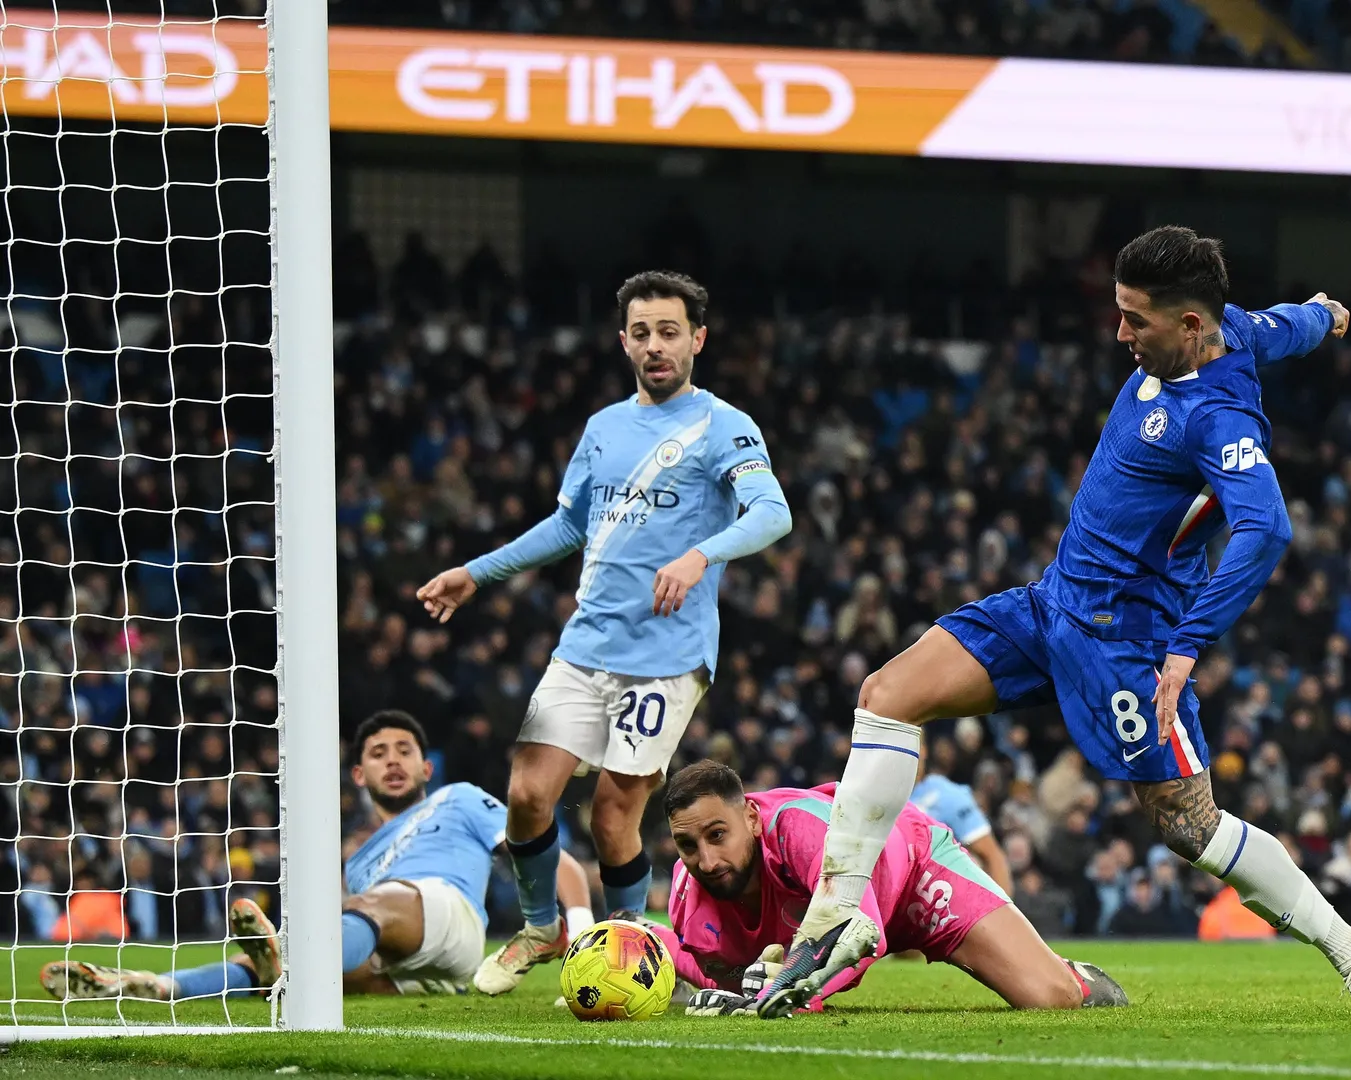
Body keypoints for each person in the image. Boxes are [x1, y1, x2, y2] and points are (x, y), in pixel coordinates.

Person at [756, 225, 1351, 1020]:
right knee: (887, 693)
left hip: (1125, 643)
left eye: (1136, 319)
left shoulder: (1219, 418)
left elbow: (1266, 527)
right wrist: (1324, 311)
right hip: (1051, 604)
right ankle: (837, 920)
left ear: (1191, 326)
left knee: (1190, 827)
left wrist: (1185, 647)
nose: (1121, 333)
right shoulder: (1233, 328)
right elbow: (1289, 323)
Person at [416, 271, 792, 995]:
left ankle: (638, 958)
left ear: (698, 340)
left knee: (617, 813)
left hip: (669, 657)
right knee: (529, 793)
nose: (656, 346)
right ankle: (542, 926)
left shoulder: (724, 425)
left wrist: (699, 553)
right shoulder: (603, 429)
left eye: (670, 332)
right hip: (587, 645)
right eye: (642, 333)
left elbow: (772, 512)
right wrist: (477, 572)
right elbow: (568, 525)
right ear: (624, 342)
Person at [41, 711, 592, 1000]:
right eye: (378, 753)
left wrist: (581, 928)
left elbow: (549, 859)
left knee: (352, 918)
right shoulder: (355, 858)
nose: (393, 761)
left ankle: (284, 952)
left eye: (405, 751)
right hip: (408, 970)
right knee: (298, 975)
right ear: (359, 775)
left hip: (451, 917)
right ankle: (158, 985)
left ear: (427, 769)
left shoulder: (460, 797)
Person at [651, 761, 1126, 1015]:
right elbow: (723, 978)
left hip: (915, 873)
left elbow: (860, 928)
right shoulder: (686, 895)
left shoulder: (801, 828)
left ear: (751, 818)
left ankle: (1074, 975)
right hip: (837, 918)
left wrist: (786, 989)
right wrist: (658, 954)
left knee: (1049, 996)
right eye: (687, 845)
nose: (706, 861)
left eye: (717, 836)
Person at [911, 755, 1013, 893]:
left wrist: (1003, 913)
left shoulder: (945, 795)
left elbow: (993, 856)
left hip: (941, 897)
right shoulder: (878, 795)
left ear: (923, 751)